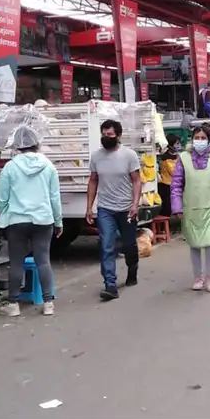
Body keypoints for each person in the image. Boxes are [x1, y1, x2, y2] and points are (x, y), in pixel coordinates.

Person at [0, 126, 63, 317]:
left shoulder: (10, 166)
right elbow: (54, 197)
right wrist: (58, 221)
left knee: (16, 262)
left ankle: (13, 305)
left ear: (18, 145)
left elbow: (1, 197)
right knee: (43, 260)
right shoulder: (49, 166)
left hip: (16, 220)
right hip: (43, 219)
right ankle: (48, 303)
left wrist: (4, 217)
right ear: (37, 144)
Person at [170, 126, 210, 292]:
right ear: (191, 139)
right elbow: (176, 185)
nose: (200, 141)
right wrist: (177, 207)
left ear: (209, 139)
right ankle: (198, 278)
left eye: (203, 138)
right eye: (197, 137)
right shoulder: (183, 158)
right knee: (195, 244)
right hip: (191, 208)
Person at [86, 119, 141, 301]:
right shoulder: (96, 157)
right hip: (105, 209)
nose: (106, 137)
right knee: (106, 245)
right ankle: (110, 284)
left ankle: (132, 269)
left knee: (128, 245)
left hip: (126, 209)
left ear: (118, 135)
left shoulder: (129, 155)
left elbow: (136, 181)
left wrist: (135, 204)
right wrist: (89, 207)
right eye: (103, 134)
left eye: (109, 134)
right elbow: (93, 180)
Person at [157, 134, 181, 219]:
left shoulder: (175, 156)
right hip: (167, 185)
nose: (179, 145)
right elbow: (174, 171)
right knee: (167, 207)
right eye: (177, 143)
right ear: (170, 144)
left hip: (173, 184)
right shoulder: (166, 157)